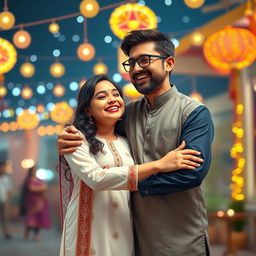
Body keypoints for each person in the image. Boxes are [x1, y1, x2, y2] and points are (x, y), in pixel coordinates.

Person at [57, 29, 214, 256]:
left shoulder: (193, 113)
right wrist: (64, 142)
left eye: (144, 60)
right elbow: (96, 139)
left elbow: (192, 173)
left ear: (169, 63)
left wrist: (134, 185)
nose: (137, 69)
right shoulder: (126, 113)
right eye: (131, 63)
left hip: (180, 236)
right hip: (133, 237)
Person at [20, 165, 51, 241]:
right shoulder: (28, 180)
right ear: (31, 171)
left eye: (35, 170)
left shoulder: (39, 180)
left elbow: (45, 187)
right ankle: (27, 230)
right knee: (30, 218)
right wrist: (40, 188)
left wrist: (40, 188)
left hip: (40, 202)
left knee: (38, 218)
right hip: (31, 202)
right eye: (33, 170)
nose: (35, 171)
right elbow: (32, 189)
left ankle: (36, 235)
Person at [0, 161, 12, 240]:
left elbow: (9, 190)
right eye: (2, 167)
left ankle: (7, 233)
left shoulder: (6, 178)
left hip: (4, 200)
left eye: (4, 167)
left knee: (5, 217)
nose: (3, 169)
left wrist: (8, 200)